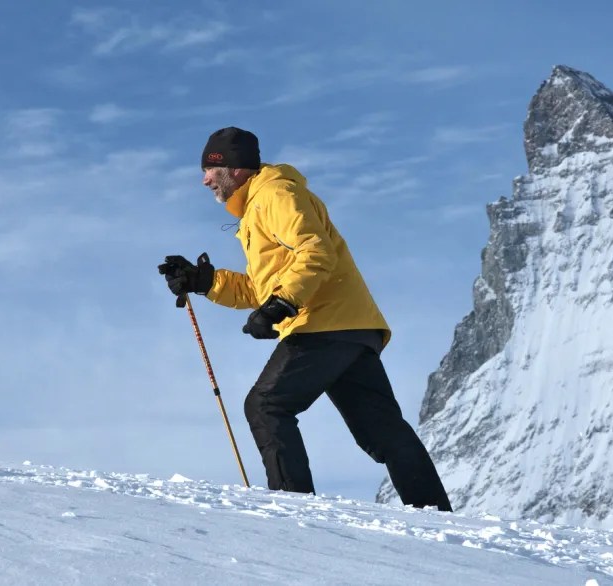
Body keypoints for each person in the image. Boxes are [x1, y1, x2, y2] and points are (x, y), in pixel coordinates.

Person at [158, 127, 452, 511]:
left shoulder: (276, 195)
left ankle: (292, 509)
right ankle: (434, 512)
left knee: (266, 405)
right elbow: (262, 290)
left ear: (236, 168)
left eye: (212, 169)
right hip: (350, 324)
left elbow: (315, 253)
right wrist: (206, 281)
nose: (205, 179)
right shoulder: (258, 208)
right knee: (381, 431)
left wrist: (281, 305)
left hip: (322, 322)